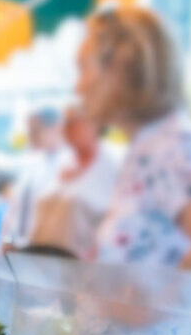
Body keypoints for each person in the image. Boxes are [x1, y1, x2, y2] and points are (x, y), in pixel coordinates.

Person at [78, 7, 191, 271]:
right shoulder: (149, 142)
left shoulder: (170, 143)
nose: (79, 86)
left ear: (123, 65)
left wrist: (157, 309)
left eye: (84, 67)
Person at [27, 106, 121, 258]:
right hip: (42, 260)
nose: (66, 129)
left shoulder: (114, 163)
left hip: (83, 265)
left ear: (95, 124)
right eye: (65, 123)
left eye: (73, 123)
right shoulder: (59, 162)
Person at [0, 108, 70, 250]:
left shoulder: (67, 164)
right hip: (21, 248)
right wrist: (6, 239)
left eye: (35, 131)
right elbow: (15, 207)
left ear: (55, 128)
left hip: (45, 249)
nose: (31, 136)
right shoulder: (32, 163)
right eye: (29, 131)